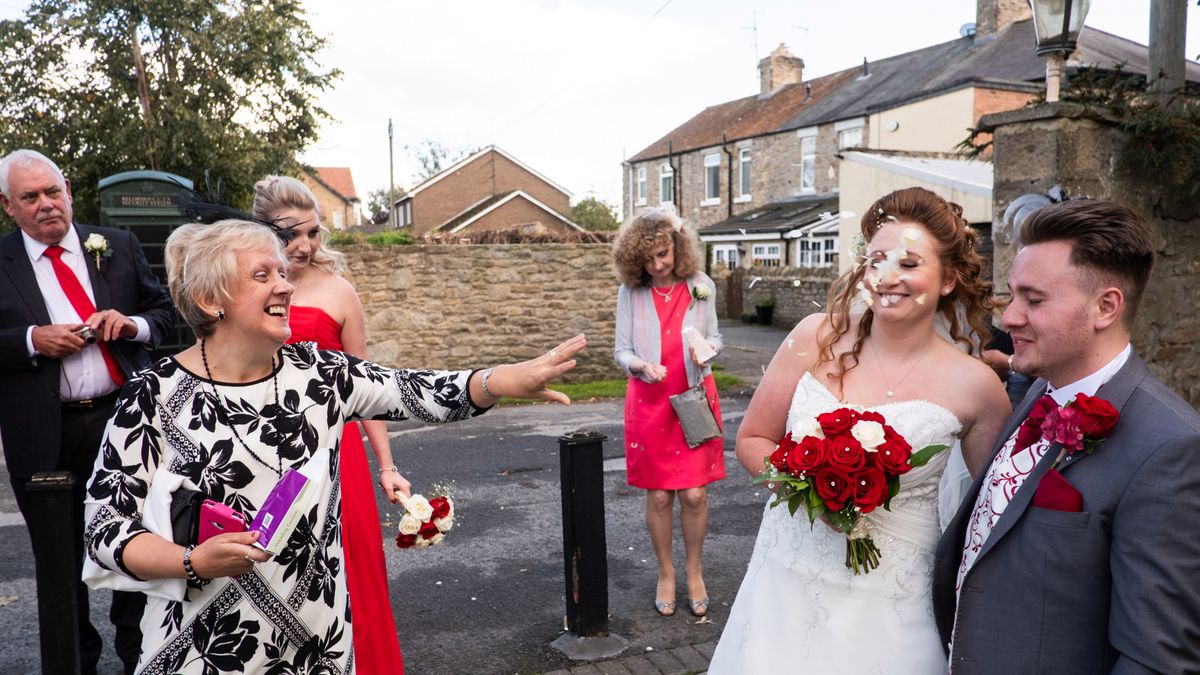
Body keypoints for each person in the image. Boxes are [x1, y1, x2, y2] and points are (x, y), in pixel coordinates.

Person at [80, 218, 586, 673]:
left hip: (316, 644)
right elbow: (105, 526)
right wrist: (190, 561)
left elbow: (417, 391)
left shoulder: (320, 373)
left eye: (283, 273)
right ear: (211, 299)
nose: (285, 286)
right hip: (204, 647)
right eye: (263, 275)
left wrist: (500, 380)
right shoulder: (153, 395)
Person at [707, 187, 1010, 673]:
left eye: (908, 264)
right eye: (876, 261)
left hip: (895, 597)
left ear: (949, 279)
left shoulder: (977, 387)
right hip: (788, 577)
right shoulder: (814, 337)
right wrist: (807, 486)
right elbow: (753, 439)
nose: (887, 277)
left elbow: (995, 512)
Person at [933, 200, 1200, 672]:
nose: (1009, 318)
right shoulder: (1041, 391)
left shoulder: (1168, 447)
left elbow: (1155, 657)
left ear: (1106, 307)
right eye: (1012, 296)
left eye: (1033, 301)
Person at [0, 149, 174, 674]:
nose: (46, 204)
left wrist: (132, 325)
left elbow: (164, 314)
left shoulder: (116, 244)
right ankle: (74, 662)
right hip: (42, 432)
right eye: (30, 197)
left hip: (123, 423)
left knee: (137, 542)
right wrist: (31, 340)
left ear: (69, 191)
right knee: (59, 562)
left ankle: (140, 657)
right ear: (8, 205)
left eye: (53, 192)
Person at [251, 175, 406, 674]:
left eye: (313, 232)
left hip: (338, 454)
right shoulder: (243, 290)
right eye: (290, 234)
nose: (304, 245)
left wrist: (387, 466)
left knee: (355, 569)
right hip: (264, 450)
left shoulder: (340, 292)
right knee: (274, 572)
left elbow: (369, 389)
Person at [612, 209, 725, 618]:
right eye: (648, 259)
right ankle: (666, 573)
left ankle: (694, 571)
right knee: (659, 496)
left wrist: (707, 351)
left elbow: (715, 337)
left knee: (694, 494)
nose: (657, 265)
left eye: (662, 254)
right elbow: (621, 351)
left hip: (694, 397)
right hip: (650, 401)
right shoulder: (631, 293)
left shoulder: (701, 285)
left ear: (677, 247)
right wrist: (641, 366)